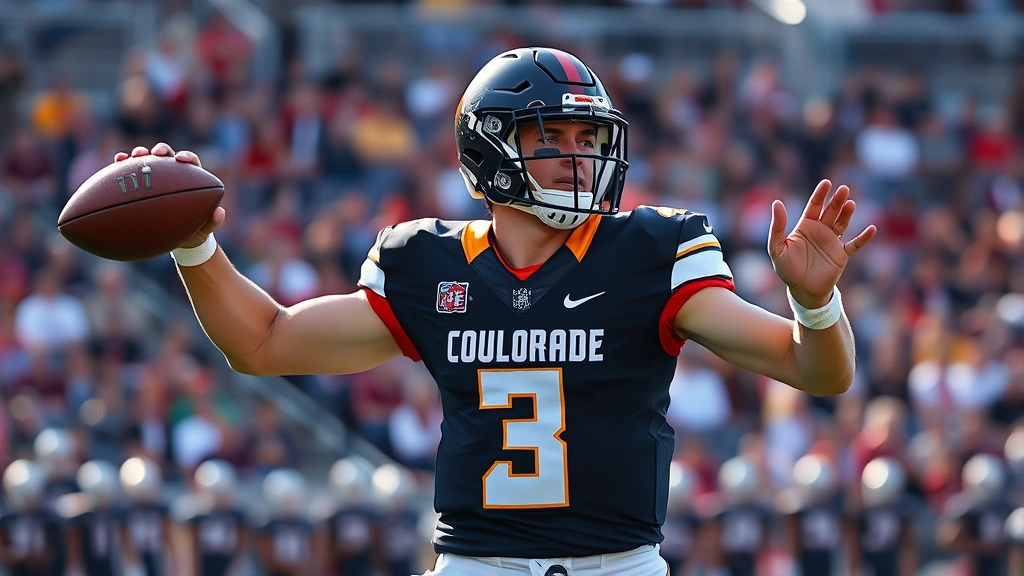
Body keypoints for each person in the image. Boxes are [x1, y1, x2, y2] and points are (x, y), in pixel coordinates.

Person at [117, 46, 875, 576]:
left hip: (620, 568)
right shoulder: (426, 263)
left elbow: (814, 371)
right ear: (489, 149)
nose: (581, 158)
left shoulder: (651, 249)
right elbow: (265, 342)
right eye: (553, 137)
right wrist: (194, 248)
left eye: (590, 137)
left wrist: (814, 303)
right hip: (475, 565)